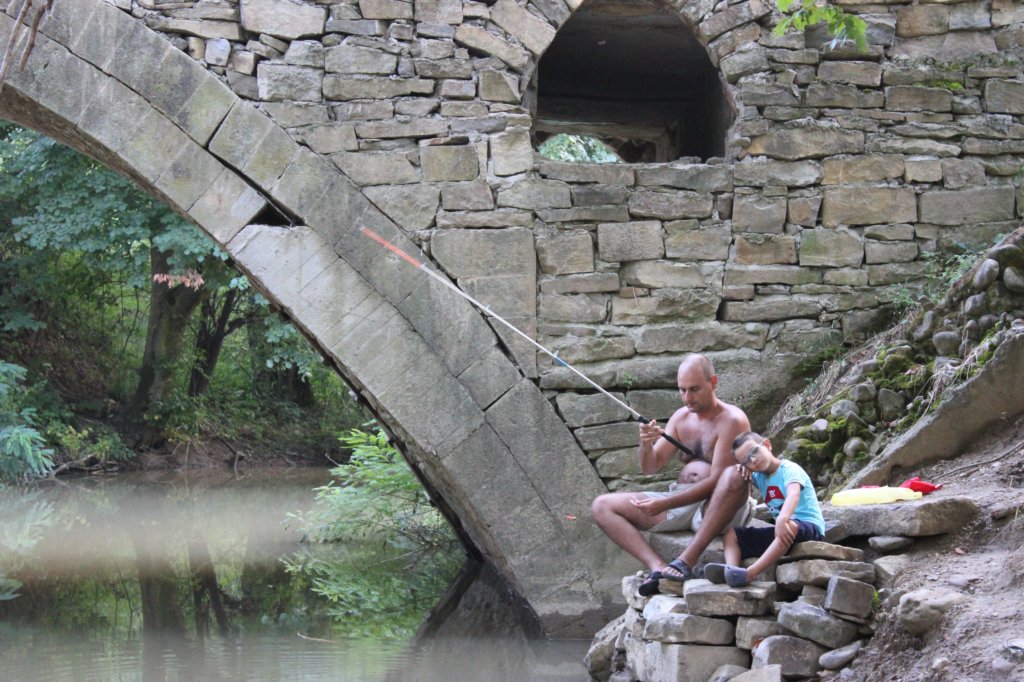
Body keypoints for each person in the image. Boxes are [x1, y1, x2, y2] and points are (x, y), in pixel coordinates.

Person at [590, 354, 756, 596]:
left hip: (719, 505)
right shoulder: (681, 417)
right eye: (682, 390)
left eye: (694, 389)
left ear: (713, 382)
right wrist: (646, 443)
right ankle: (658, 567)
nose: (687, 398)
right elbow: (650, 467)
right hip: (682, 503)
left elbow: (717, 482)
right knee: (602, 506)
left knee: (734, 476)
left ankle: (685, 561)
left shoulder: (732, 420)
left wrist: (664, 503)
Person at [703, 432, 826, 587]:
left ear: (767, 445)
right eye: (746, 461)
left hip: (809, 527)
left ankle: (750, 573)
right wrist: (739, 469)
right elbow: (735, 476)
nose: (753, 460)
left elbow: (793, 494)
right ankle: (732, 570)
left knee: (788, 526)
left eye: (754, 451)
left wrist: (782, 518)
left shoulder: (789, 469)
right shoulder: (759, 477)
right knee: (731, 534)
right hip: (781, 533)